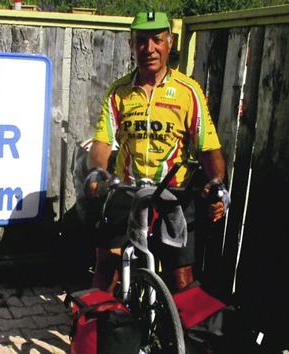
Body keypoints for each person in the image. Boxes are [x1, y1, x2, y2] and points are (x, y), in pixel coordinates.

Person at [84, 11, 231, 294]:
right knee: (106, 268)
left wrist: (217, 184)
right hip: (126, 193)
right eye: (141, 41)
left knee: (181, 279)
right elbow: (102, 142)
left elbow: (208, 147)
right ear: (132, 45)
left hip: (173, 195)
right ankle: (97, 332)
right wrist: (97, 173)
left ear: (170, 43)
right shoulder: (118, 93)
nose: (148, 48)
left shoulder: (189, 92)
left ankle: (177, 336)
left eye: (157, 40)